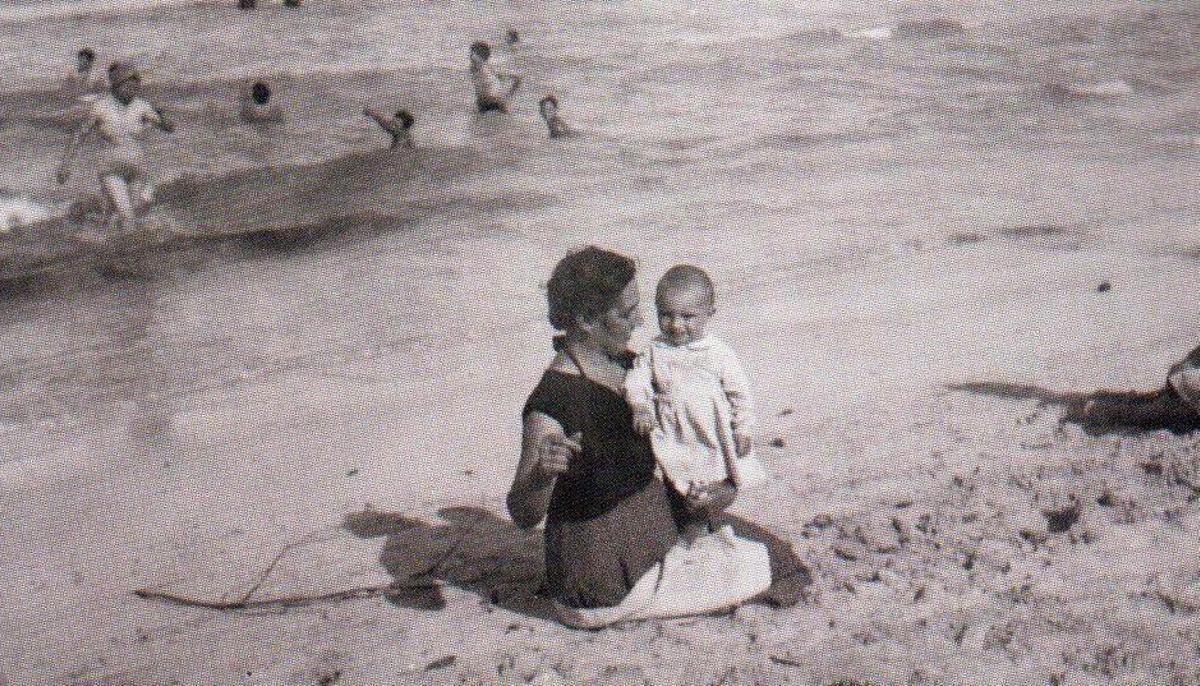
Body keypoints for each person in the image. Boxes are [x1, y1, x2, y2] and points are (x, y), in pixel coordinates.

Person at [508, 246, 771, 629]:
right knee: (764, 564)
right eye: (626, 313)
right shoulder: (555, 400)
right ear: (586, 320)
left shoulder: (630, 367)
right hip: (600, 583)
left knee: (755, 552)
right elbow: (523, 514)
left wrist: (724, 486)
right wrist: (542, 473)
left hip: (642, 548)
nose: (641, 321)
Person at [625, 265, 764, 543]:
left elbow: (740, 394)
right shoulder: (655, 350)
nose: (676, 325)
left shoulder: (718, 352)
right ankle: (689, 527)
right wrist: (640, 406)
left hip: (711, 430)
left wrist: (743, 428)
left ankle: (706, 519)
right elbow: (636, 379)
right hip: (675, 432)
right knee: (678, 480)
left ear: (709, 314)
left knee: (717, 478)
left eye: (687, 317)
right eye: (666, 315)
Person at [56, 62, 175, 234]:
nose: (133, 90)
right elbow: (78, 135)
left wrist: (163, 117)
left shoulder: (142, 106)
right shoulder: (100, 107)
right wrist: (65, 165)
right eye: (128, 86)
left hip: (136, 171)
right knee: (127, 216)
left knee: (132, 212)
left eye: (136, 86)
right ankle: (128, 247)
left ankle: (99, 229)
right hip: (111, 171)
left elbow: (168, 128)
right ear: (116, 85)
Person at [1062, 345, 1200, 433]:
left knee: (1144, 403)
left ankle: (1093, 402)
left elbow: (1188, 361)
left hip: (1184, 389)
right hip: (1186, 398)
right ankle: (1091, 409)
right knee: (1144, 412)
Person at [468, 41, 521, 114]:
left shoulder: (480, 67)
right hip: (493, 100)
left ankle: (507, 98)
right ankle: (507, 99)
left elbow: (475, 59)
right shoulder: (482, 68)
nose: (471, 55)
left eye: (473, 52)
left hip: (486, 101)